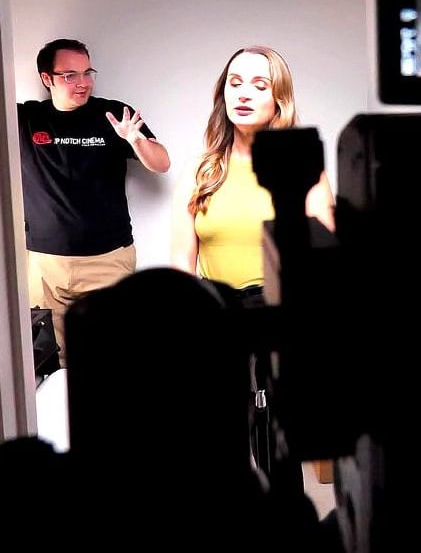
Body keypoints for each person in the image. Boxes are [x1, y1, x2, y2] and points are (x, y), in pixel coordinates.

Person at [18, 37, 170, 366]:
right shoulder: (25, 118)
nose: (83, 82)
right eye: (70, 75)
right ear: (47, 78)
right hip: (46, 267)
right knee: (49, 363)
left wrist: (136, 140)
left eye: (87, 72)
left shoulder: (112, 115)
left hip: (108, 261)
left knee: (112, 360)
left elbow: (162, 163)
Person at [171, 45, 335, 287]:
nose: (243, 95)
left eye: (260, 86)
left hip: (279, 301)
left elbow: (322, 262)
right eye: (235, 83)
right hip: (214, 302)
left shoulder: (303, 170)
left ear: (279, 99)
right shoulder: (198, 170)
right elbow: (181, 262)